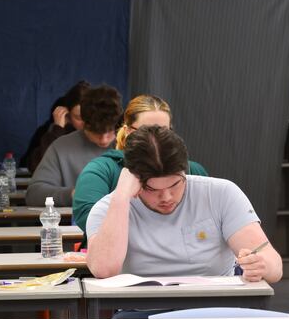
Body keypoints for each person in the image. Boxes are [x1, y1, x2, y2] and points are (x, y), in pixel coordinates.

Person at [86, 125, 283, 319]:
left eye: (175, 185)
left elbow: (274, 265)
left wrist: (262, 264)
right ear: (135, 180)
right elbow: (103, 269)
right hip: (141, 316)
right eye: (153, 189)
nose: (166, 197)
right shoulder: (110, 208)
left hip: (215, 310)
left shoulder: (220, 193)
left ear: (185, 170)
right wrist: (121, 197)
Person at [73, 95, 207, 237]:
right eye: (146, 131)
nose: (155, 138)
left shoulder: (193, 170)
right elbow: (88, 218)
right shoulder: (101, 170)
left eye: (163, 131)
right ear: (128, 131)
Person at [25, 84, 122, 207]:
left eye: (110, 131)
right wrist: (72, 194)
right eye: (96, 132)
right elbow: (33, 194)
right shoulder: (61, 147)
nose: (104, 139)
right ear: (84, 123)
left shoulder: (129, 145)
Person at [20, 80, 90, 173]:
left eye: (90, 116)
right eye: (79, 117)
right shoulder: (49, 131)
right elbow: (36, 168)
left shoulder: (104, 133)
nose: (86, 123)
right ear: (67, 115)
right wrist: (56, 131)